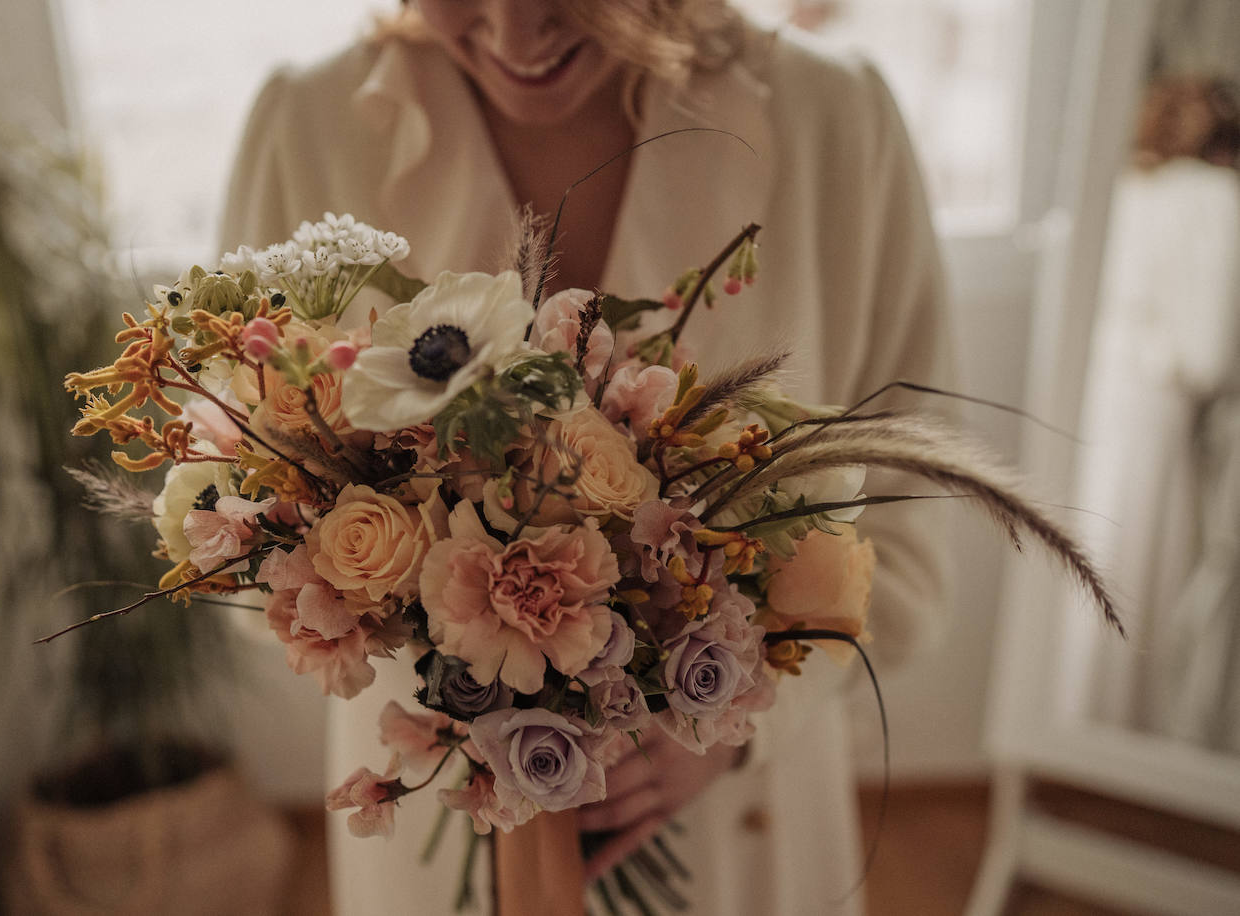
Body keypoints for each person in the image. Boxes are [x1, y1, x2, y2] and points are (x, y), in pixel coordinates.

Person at [219, 1, 952, 912]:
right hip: (428, 817)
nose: (515, 36)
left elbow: (916, 520)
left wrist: (740, 722)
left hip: (738, 838)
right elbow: (232, 515)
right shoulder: (306, 128)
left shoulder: (837, 122)